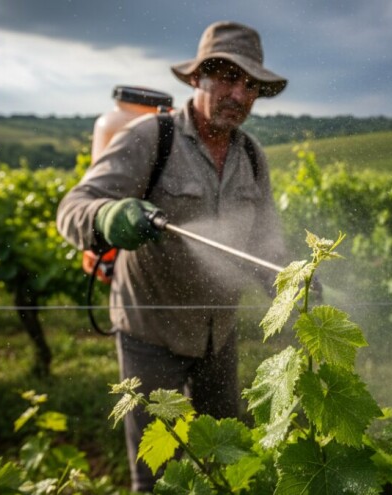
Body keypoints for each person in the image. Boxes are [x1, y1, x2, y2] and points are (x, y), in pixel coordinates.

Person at [56, 21, 287, 492]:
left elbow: (267, 245)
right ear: (197, 78)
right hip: (150, 333)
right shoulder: (151, 138)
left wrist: (295, 280)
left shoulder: (252, 156)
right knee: (158, 472)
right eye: (226, 77)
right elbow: (72, 209)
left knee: (224, 460)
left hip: (218, 336)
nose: (239, 95)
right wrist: (107, 218)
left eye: (251, 86)